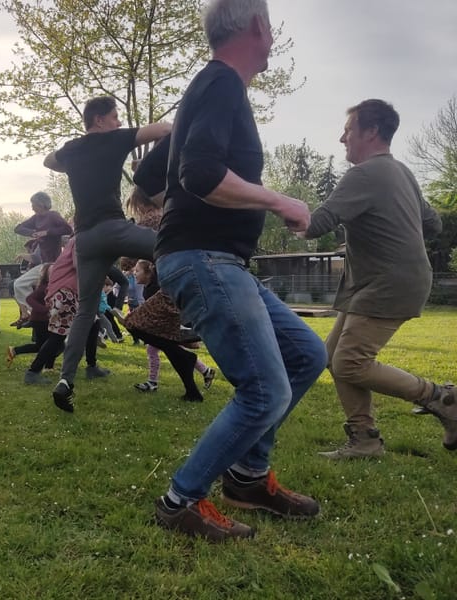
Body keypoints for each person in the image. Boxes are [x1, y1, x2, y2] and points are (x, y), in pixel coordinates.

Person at [151, 0, 328, 542]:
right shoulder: (220, 82)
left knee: (306, 354)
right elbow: (201, 174)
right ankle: (180, 501)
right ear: (257, 26)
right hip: (203, 258)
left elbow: (155, 173)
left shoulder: (212, 89)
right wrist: (279, 200)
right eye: (271, 26)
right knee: (264, 389)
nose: (273, 37)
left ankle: (248, 478)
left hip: (220, 259)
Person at [299, 99, 452, 459]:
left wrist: (268, 201)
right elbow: (433, 223)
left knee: (350, 362)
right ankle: (365, 439)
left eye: (348, 130)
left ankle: (441, 398)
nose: (342, 138)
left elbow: (315, 225)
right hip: (378, 282)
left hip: (388, 283)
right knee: (332, 357)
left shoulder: (364, 174)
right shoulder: (402, 172)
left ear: (371, 132)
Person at [44, 95, 172, 412]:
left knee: (85, 311)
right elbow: (166, 129)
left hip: (85, 241)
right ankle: (189, 311)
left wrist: (70, 161)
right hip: (114, 229)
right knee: (172, 246)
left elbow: (48, 161)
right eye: (115, 116)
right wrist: (152, 161)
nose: (119, 122)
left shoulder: (73, 149)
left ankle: (65, 381)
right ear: (99, 120)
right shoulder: (115, 139)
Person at [23, 237, 109, 392]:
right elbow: (79, 265)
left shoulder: (80, 239)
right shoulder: (81, 239)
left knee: (93, 324)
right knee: (58, 335)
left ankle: (91, 366)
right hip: (65, 294)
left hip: (68, 293)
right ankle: (33, 372)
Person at [126, 259, 214, 401]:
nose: (134, 273)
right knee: (173, 351)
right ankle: (194, 388)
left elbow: (166, 310)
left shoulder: (157, 287)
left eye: (137, 271)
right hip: (163, 328)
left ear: (149, 273)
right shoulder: (150, 288)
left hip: (167, 327)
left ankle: (155, 382)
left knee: (167, 349)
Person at [11, 192, 73, 327]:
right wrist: (32, 233)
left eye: (33, 204)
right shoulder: (36, 218)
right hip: (43, 265)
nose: (32, 207)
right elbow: (18, 228)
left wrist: (47, 232)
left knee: (51, 291)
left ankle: (45, 314)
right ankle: (37, 312)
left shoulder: (53, 216)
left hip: (54, 263)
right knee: (19, 284)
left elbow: (68, 229)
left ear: (41, 204)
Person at [7, 263, 53, 367]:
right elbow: (29, 299)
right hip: (40, 321)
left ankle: (48, 366)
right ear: (46, 275)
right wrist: (45, 309)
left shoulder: (51, 286)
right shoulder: (43, 288)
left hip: (44, 319)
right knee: (47, 344)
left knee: (48, 343)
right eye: (52, 272)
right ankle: (15, 351)